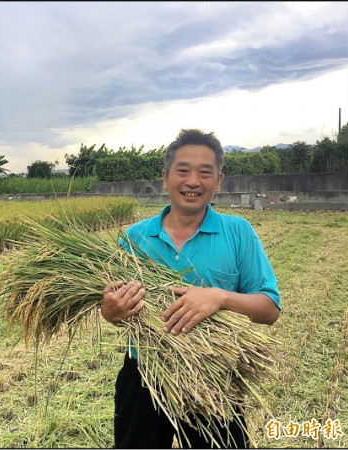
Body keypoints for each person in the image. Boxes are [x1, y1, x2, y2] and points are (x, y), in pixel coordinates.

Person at [100, 128, 282, 449]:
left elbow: (269, 309)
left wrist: (220, 297)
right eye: (182, 170)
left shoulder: (238, 232)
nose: (193, 181)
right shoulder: (133, 238)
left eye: (205, 172)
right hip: (145, 374)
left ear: (219, 181)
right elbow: (114, 308)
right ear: (165, 177)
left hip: (214, 373)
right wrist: (110, 311)